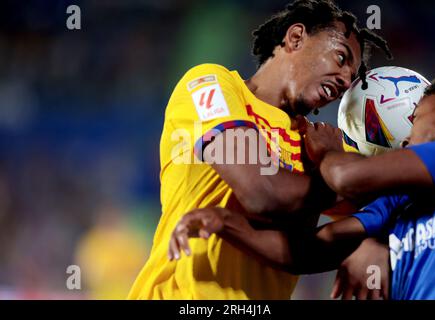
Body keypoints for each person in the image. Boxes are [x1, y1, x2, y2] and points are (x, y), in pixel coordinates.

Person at [128, 0, 390, 299]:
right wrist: (340, 176)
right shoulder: (210, 85)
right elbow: (261, 192)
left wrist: (370, 242)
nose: (345, 81)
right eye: (340, 58)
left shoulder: (318, 143)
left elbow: (365, 221)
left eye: (352, 77)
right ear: (295, 37)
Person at [169, 71, 435, 299]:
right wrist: (226, 222)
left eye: (417, 117)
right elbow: (309, 251)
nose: (406, 136)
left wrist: (329, 151)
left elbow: (346, 177)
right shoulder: (400, 200)